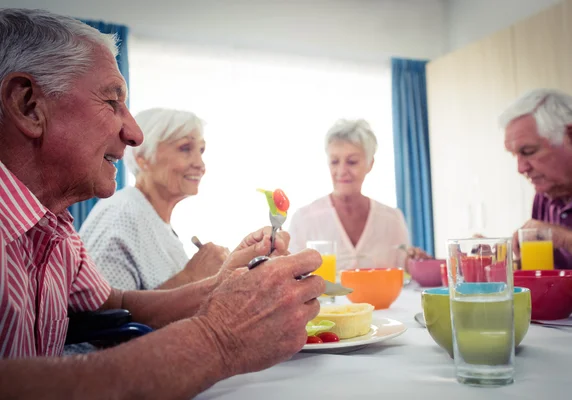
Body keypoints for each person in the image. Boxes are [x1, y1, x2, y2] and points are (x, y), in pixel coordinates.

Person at [0, 8, 325, 398]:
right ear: (29, 105)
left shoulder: (57, 227)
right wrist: (220, 338)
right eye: (111, 101)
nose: (134, 133)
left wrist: (221, 284)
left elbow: (115, 304)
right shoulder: (119, 214)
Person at [80, 108, 229, 291]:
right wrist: (193, 275)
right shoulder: (121, 215)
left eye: (201, 150)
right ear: (142, 158)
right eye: (185, 148)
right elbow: (103, 317)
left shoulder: (155, 220)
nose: (200, 165)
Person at [287, 119, 430, 272]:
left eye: (352, 162)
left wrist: (418, 263)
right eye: (335, 161)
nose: (342, 171)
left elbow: (406, 275)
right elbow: (292, 277)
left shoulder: (393, 220)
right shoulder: (303, 220)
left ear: (370, 163)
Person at [501, 88, 572, 286]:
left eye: (528, 151)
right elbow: (540, 274)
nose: (521, 168)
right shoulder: (547, 192)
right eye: (515, 156)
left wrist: (565, 238)